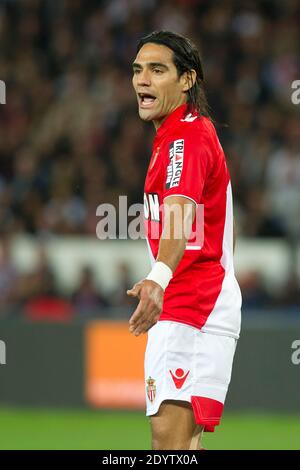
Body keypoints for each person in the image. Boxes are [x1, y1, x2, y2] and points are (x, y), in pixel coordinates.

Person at [127, 31, 242, 451]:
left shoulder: (185, 137)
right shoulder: (175, 135)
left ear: (187, 79)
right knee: (182, 445)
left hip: (194, 303)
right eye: (138, 70)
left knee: (170, 444)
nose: (143, 80)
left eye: (158, 70)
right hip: (193, 301)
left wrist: (158, 277)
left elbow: (180, 213)